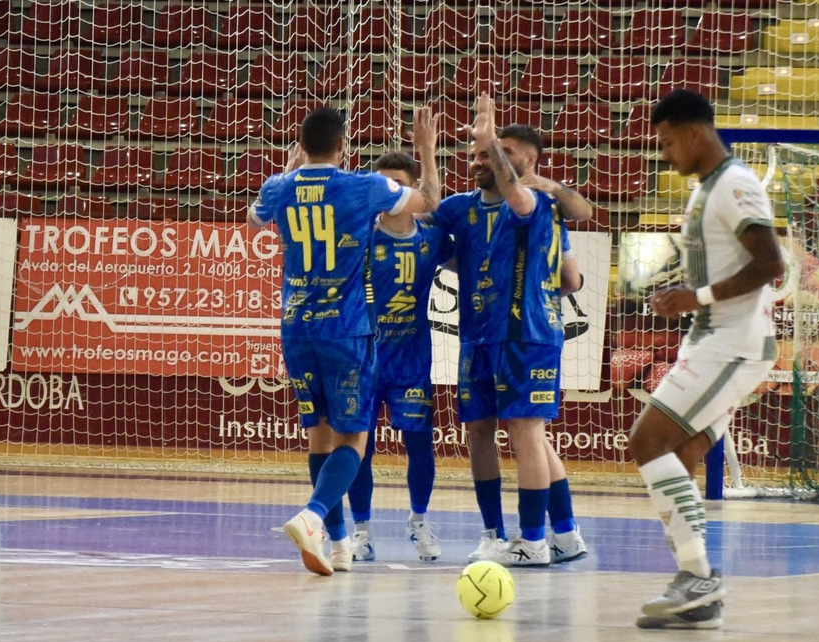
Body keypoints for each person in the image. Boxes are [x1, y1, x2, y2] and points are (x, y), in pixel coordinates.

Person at [249, 106, 438, 576]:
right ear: (343, 147)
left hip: (295, 326)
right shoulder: (363, 185)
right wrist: (428, 153)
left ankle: (337, 546)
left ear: (301, 145)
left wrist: (290, 173)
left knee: (320, 434)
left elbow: (253, 223)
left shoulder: (279, 186)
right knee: (353, 435)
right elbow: (428, 203)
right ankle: (313, 516)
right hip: (346, 327)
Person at [626, 89, 784, 630]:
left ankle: (699, 579)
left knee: (646, 442)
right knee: (683, 453)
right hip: (714, 338)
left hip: (733, 343)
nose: (665, 154)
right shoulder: (707, 189)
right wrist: (685, 292)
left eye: (668, 142)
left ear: (694, 133)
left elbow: (771, 262)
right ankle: (697, 587)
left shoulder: (735, 184)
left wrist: (697, 298)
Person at [430, 95, 593, 567]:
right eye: (480, 152)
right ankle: (559, 535)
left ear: (527, 158)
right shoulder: (466, 208)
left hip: (525, 334)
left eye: (498, 152)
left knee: (526, 434)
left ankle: (534, 541)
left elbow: (573, 259)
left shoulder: (537, 200)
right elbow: (570, 280)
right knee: (511, 435)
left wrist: (489, 137)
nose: (484, 159)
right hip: (479, 335)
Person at [342, 145, 449, 563]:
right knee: (358, 447)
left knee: (420, 445)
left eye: (399, 186)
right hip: (363, 360)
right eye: (385, 186)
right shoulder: (359, 237)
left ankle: (418, 521)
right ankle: (362, 530)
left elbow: (440, 212)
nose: (391, 194)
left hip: (412, 362)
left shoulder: (432, 239)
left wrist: (429, 154)